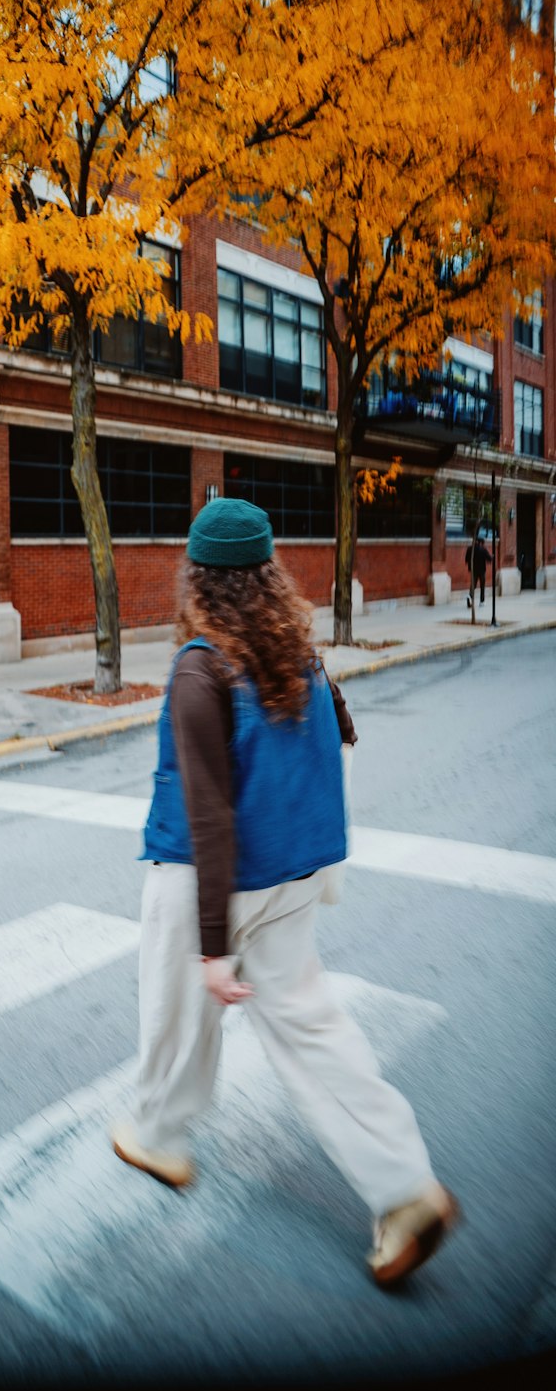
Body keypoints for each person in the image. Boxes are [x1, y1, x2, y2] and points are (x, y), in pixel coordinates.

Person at [111, 497, 460, 1288]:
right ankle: (405, 1189)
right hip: (297, 873)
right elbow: (342, 731)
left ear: (197, 577)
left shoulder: (201, 667)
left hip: (209, 879)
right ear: (266, 575)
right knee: (312, 1027)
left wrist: (210, 946)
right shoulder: (294, 649)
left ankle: (161, 1134)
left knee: (173, 1014)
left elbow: (208, 815)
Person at [464, 535, 492, 605]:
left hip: (473, 570)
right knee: (482, 585)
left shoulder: (469, 549)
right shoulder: (483, 549)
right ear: (480, 543)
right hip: (482, 570)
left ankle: (470, 596)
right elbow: (489, 559)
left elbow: (466, 560)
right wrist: (492, 557)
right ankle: (482, 601)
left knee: (473, 584)